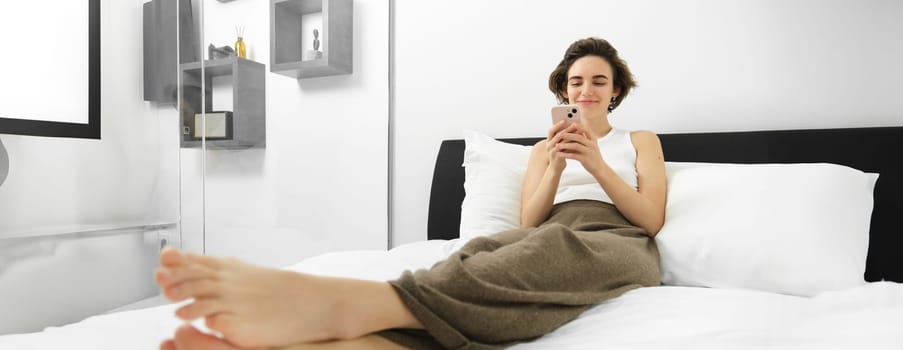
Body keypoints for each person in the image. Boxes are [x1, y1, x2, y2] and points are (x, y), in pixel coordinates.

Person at [155, 37, 667, 350]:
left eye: (599, 81)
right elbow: (529, 226)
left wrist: (596, 165)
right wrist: (555, 166)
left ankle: (358, 304)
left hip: (615, 240)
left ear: (616, 89)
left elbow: (650, 221)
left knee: (547, 251)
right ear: (563, 90)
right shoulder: (540, 150)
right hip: (549, 233)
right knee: (480, 253)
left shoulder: (639, 141)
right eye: (576, 82)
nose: (586, 92)